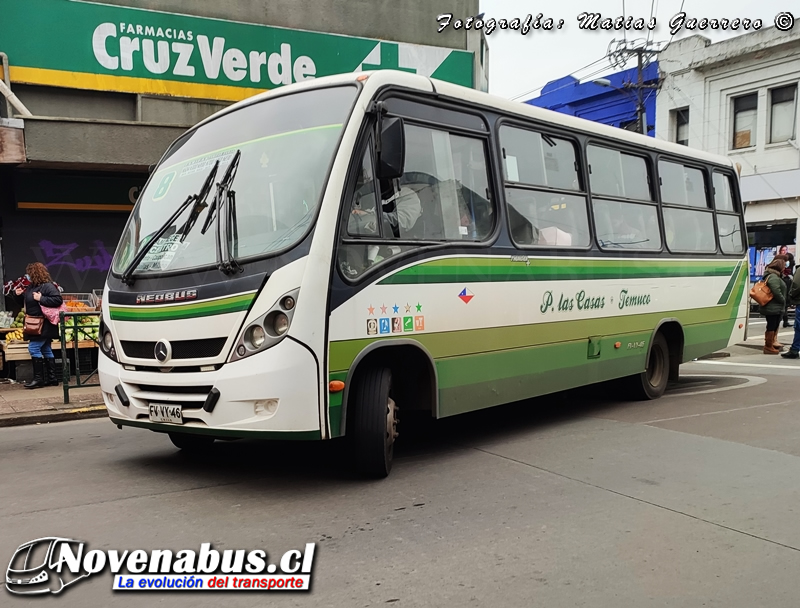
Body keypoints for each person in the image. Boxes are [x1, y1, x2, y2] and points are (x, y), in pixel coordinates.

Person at [13, 263, 63, 388]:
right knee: (46, 349)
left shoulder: (47, 286)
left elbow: (58, 300)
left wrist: (41, 298)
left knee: (33, 348)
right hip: (35, 324)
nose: (27, 276)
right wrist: (18, 296)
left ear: (34, 274)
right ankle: (52, 378)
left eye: (29, 274)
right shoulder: (31, 287)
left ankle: (38, 379)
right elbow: (28, 302)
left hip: (43, 324)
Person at [759, 256, 787, 355]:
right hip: (773, 306)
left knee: (773, 325)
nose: (785, 267)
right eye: (784, 266)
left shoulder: (774, 276)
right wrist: (783, 300)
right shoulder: (773, 277)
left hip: (774, 306)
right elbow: (776, 290)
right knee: (772, 325)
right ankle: (768, 346)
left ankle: (769, 345)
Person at [782, 253, 795, 328]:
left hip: (785, 281)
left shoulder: (784, 263)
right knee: (786, 304)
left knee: (784, 304)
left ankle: (785, 321)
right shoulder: (791, 263)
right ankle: (785, 321)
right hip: (789, 282)